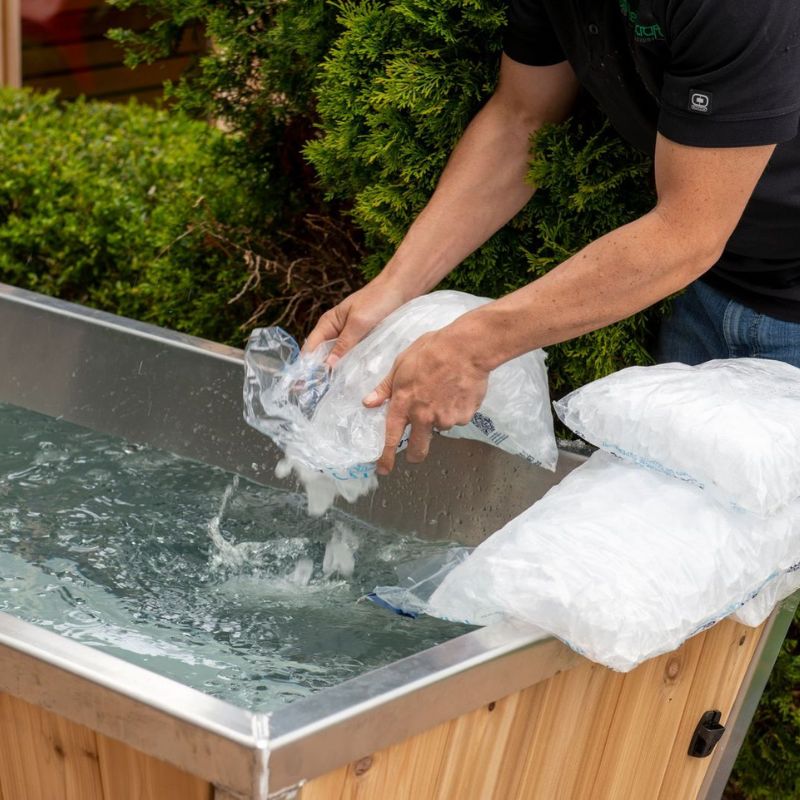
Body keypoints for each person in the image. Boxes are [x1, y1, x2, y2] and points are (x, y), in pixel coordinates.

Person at [305, 0, 800, 475]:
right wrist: (393, 287)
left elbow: (686, 234)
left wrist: (472, 346)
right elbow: (521, 119)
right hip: (714, 284)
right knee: (688, 508)